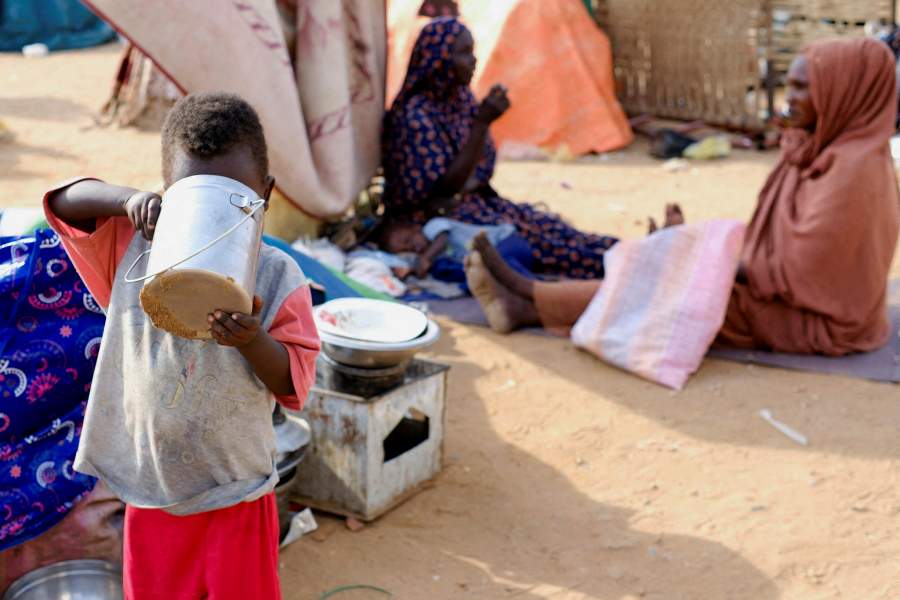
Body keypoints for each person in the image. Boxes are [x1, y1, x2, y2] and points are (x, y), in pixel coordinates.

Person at [43, 92, 321, 599]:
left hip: (234, 493)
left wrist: (252, 340)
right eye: (195, 195)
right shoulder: (133, 252)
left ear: (265, 193)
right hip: (152, 494)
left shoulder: (279, 275)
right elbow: (64, 203)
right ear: (169, 192)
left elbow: (292, 382)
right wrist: (127, 199)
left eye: (232, 197)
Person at [466, 37, 900, 356]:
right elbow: (781, 251)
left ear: (844, 94)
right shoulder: (820, 149)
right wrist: (697, 247)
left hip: (818, 320)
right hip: (789, 296)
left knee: (686, 290)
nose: (792, 99)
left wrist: (704, 255)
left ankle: (530, 300)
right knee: (680, 271)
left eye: (805, 88)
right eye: (791, 85)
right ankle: (531, 301)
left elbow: (803, 273)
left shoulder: (853, 171)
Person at [382, 16, 618, 280]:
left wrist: (468, 178)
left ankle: (631, 250)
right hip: (431, 222)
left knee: (553, 229)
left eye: (472, 52)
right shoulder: (414, 116)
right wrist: (481, 124)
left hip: (473, 202)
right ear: (439, 60)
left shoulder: (460, 100)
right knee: (542, 245)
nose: (473, 61)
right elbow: (440, 193)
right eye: (463, 53)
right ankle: (626, 262)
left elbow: (482, 168)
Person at [379, 216, 528, 279]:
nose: (412, 247)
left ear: (416, 228)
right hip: (496, 258)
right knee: (490, 273)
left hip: (506, 240)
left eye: (408, 240)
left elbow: (442, 238)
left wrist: (425, 258)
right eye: (407, 251)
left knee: (498, 267)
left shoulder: (432, 226)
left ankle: (534, 287)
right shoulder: (436, 258)